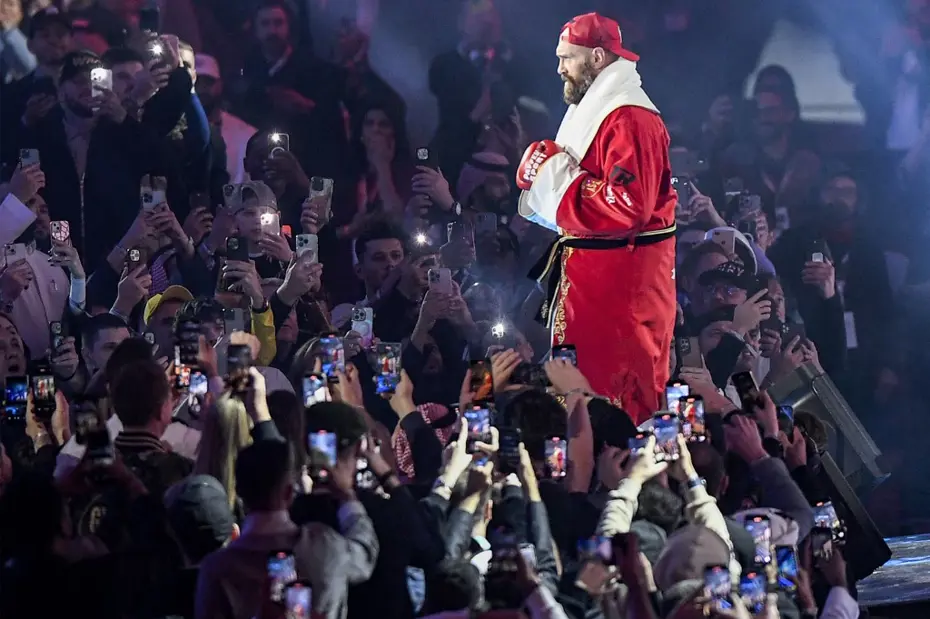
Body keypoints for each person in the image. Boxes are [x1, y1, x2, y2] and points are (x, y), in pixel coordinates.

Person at [515, 12, 677, 423]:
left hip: (622, 295)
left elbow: (628, 206)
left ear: (599, 58)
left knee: (614, 397)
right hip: (595, 285)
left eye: (567, 57)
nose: (559, 68)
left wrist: (553, 174)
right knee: (579, 389)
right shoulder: (601, 109)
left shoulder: (632, 119)